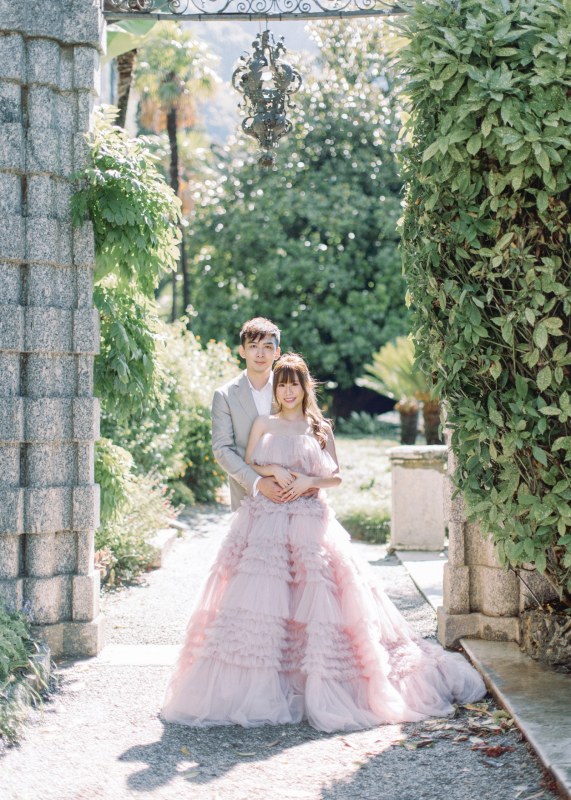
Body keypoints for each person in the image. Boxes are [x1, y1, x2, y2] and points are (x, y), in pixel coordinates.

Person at [161, 353, 486, 732]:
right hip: (265, 521)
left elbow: (336, 477)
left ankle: (320, 683)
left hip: (309, 521)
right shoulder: (264, 422)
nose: (287, 390)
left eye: (293, 383)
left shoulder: (319, 427)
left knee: (316, 600)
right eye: (281, 384)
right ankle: (267, 685)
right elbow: (250, 459)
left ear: (304, 387)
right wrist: (273, 470)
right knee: (263, 604)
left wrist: (307, 482)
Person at [210, 317, 285, 510]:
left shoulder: (291, 390)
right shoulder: (224, 395)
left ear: (277, 352)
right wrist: (258, 482)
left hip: (290, 494)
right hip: (246, 495)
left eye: (267, 347)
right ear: (242, 351)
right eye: (253, 346)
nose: (260, 354)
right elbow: (222, 449)